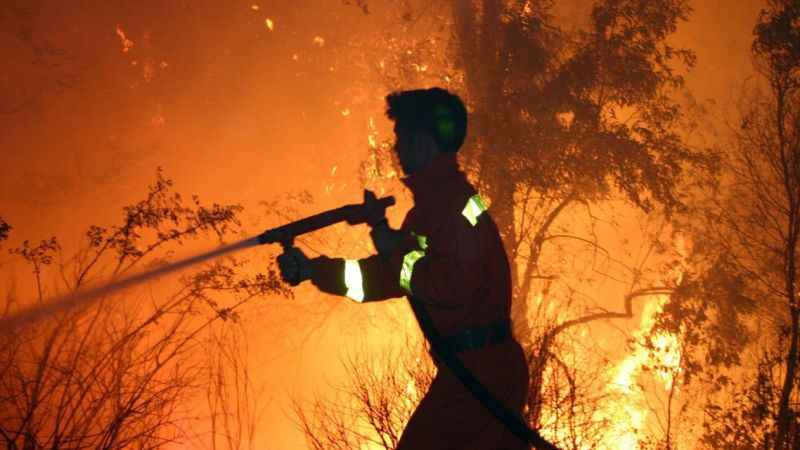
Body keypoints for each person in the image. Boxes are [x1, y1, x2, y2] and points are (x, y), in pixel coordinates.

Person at [277, 87, 530, 450]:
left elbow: (449, 286)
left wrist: (392, 244)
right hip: (477, 370)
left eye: (401, 137)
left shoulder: (453, 207)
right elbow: (384, 278)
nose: (395, 148)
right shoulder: (433, 209)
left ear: (423, 141)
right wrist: (313, 270)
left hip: (479, 373)